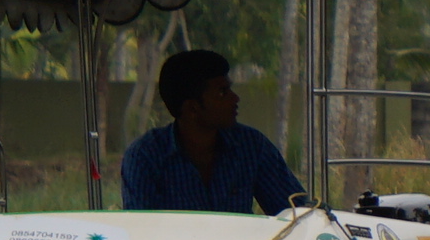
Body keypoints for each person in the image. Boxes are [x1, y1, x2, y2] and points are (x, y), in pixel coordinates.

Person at [121, 47, 305, 214]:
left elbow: (296, 212)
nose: (235, 98)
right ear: (192, 108)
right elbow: (141, 231)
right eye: (222, 92)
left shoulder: (251, 145)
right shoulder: (145, 156)